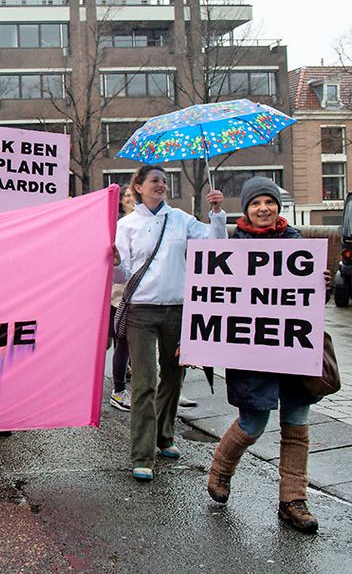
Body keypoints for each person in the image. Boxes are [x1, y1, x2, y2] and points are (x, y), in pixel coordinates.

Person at [206, 177, 329, 533]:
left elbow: (311, 304)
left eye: (269, 202)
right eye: (256, 203)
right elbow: (214, 298)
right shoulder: (232, 246)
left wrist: (320, 281)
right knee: (252, 423)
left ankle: (293, 501)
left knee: (297, 424)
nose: (264, 208)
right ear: (245, 209)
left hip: (294, 353)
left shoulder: (295, 243)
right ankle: (220, 470)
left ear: (278, 206)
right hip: (253, 354)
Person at [113, 165, 226, 482]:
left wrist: (216, 212)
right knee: (145, 382)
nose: (161, 185)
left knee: (174, 377)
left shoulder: (181, 219)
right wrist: (116, 262)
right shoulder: (127, 226)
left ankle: (164, 436)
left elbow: (215, 243)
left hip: (178, 309)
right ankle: (142, 453)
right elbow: (122, 276)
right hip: (141, 312)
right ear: (138, 186)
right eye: (154, 181)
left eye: (164, 181)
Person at [108, 186, 136, 411]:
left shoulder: (155, 224)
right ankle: (118, 389)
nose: (131, 200)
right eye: (127, 197)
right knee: (122, 341)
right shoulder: (119, 226)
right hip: (121, 295)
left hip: (144, 295)